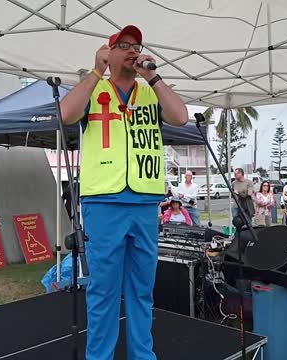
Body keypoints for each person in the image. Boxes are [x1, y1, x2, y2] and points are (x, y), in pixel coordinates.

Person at [59, 24, 188, 360]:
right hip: (104, 202)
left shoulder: (150, 91)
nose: (133, 51)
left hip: (145, 203)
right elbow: (66, 114)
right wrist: (95, 71)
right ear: (110, 51)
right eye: (125, 45)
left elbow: (181, 117)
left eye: (137, 45)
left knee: (142, 291)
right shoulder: (95, 87)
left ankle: (143, 356)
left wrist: (154, 78)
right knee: (103, 290)